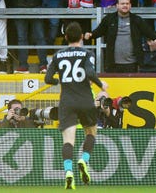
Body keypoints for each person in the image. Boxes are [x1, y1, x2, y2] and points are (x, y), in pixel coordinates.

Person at [44, 22, 109, 190]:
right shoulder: (87, 53)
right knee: (91, 132)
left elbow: (47, 79)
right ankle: (84, 159)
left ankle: (68, 173)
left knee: (68, 140)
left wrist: (60, 80)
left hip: (67, 100)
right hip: (85, 99)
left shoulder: (58, 55)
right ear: (81, 37)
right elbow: (89, 72)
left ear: (65, 37)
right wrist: (101, 85)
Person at [85, 0, 156, 73]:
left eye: (127, 3)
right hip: (112, 64)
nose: (125, 5)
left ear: (130, 5)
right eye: (122, 4)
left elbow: (149, 32)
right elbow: (99, 31)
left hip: (133, 64)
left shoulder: (137, 20)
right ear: (117, 6)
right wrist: (90, 35)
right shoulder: (109, 19)